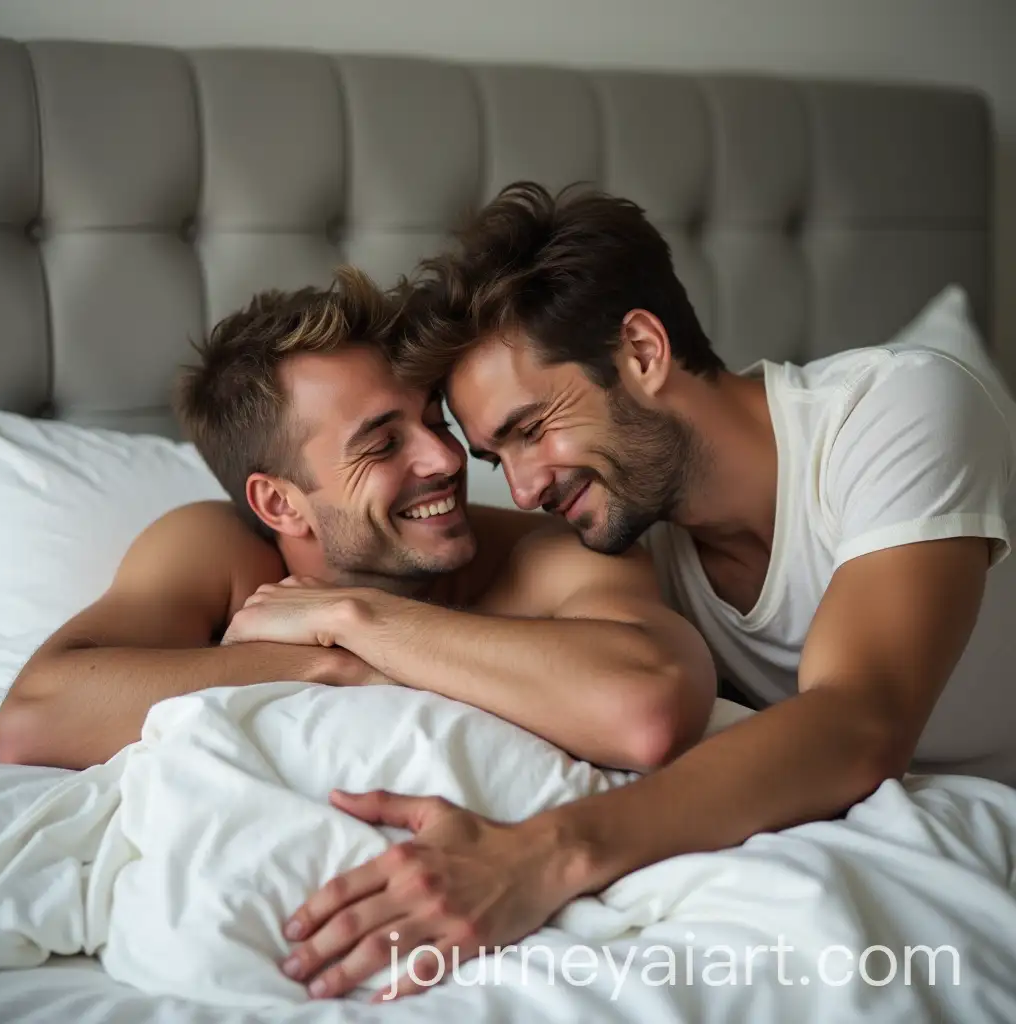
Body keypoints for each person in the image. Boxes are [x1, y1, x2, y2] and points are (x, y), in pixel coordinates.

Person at [274, 181, 1016, 1002]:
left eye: (529, 431)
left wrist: (542, 854)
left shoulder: (900, 409)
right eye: (495, 459)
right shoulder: (620, 536)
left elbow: (860, 721)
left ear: (641, 350)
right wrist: (340, 623)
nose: (521, 490)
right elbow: (428, 611)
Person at [0, 266, 715, 779]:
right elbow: (34, 719)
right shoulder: (220, 548)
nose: (445, 457)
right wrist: (330, 664)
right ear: (279, 504)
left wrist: (354, 617)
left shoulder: (551, 552)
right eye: (382, 442)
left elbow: (645, 713)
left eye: (433, 420)